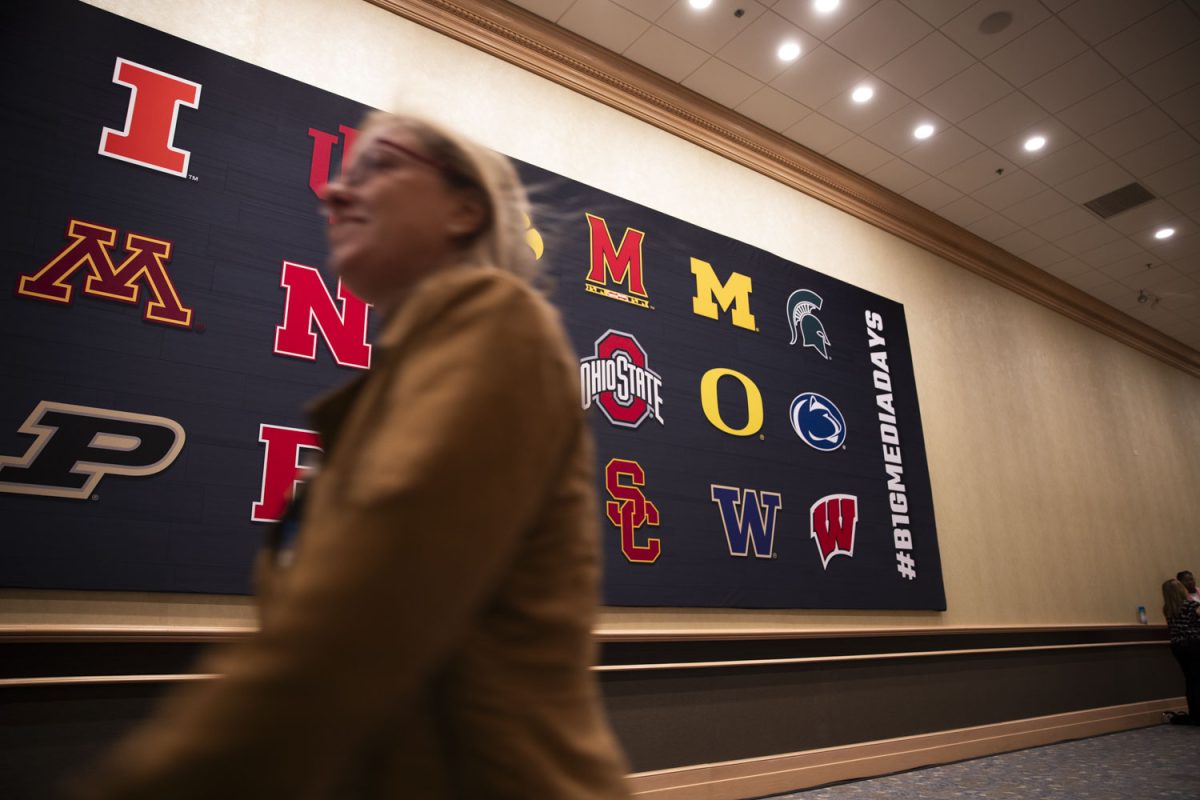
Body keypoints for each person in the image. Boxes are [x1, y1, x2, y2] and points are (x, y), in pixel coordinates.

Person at [75, 111, 632, 798]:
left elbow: (365, 609)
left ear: (464, 208)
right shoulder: (387, 393)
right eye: (342, 173)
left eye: (377, 166)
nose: (334, 194)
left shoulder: (499, 321)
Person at [1162, 578, 1200, 726]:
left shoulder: (1168, 609)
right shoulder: (1192, 606)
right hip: (1195, 644)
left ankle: (1195, 714)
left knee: (1191, 680)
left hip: (1178, 647)